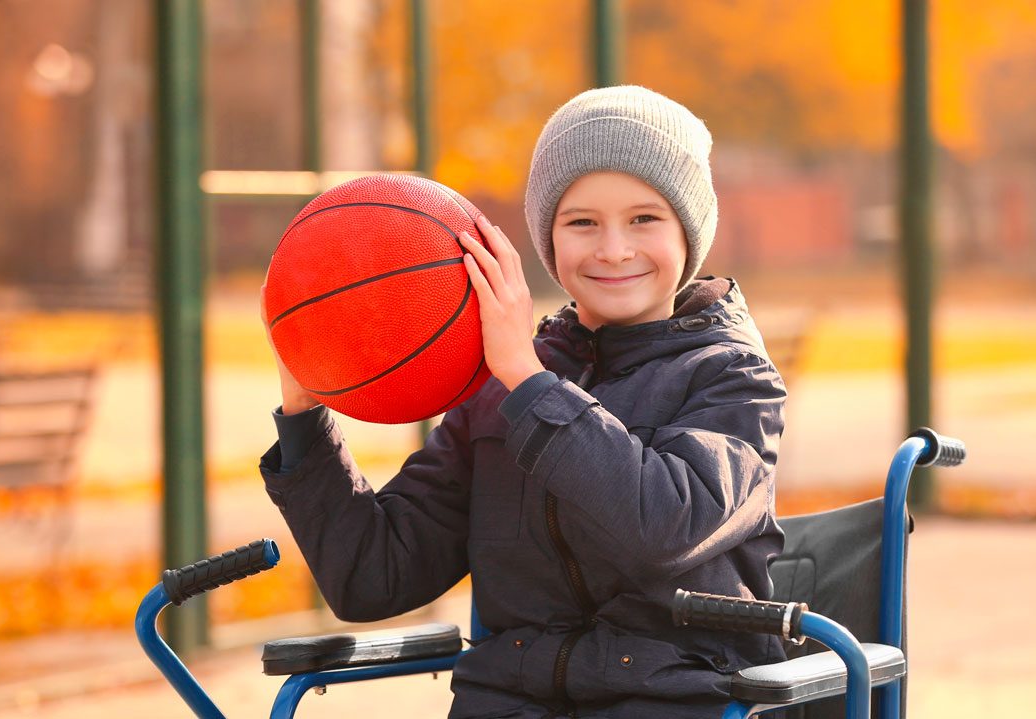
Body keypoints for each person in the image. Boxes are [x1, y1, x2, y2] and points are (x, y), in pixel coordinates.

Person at [260, 85, 787, 719]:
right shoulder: (500, 391)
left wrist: (529, 382)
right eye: (581, 222)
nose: (614, 248)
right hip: (511, 703)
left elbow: (663, 527)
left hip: (678, 700)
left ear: (689, 230)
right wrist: (305, 419)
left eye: (645, 219)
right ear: (547, 239)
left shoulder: (732, 379)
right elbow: (373, 577)